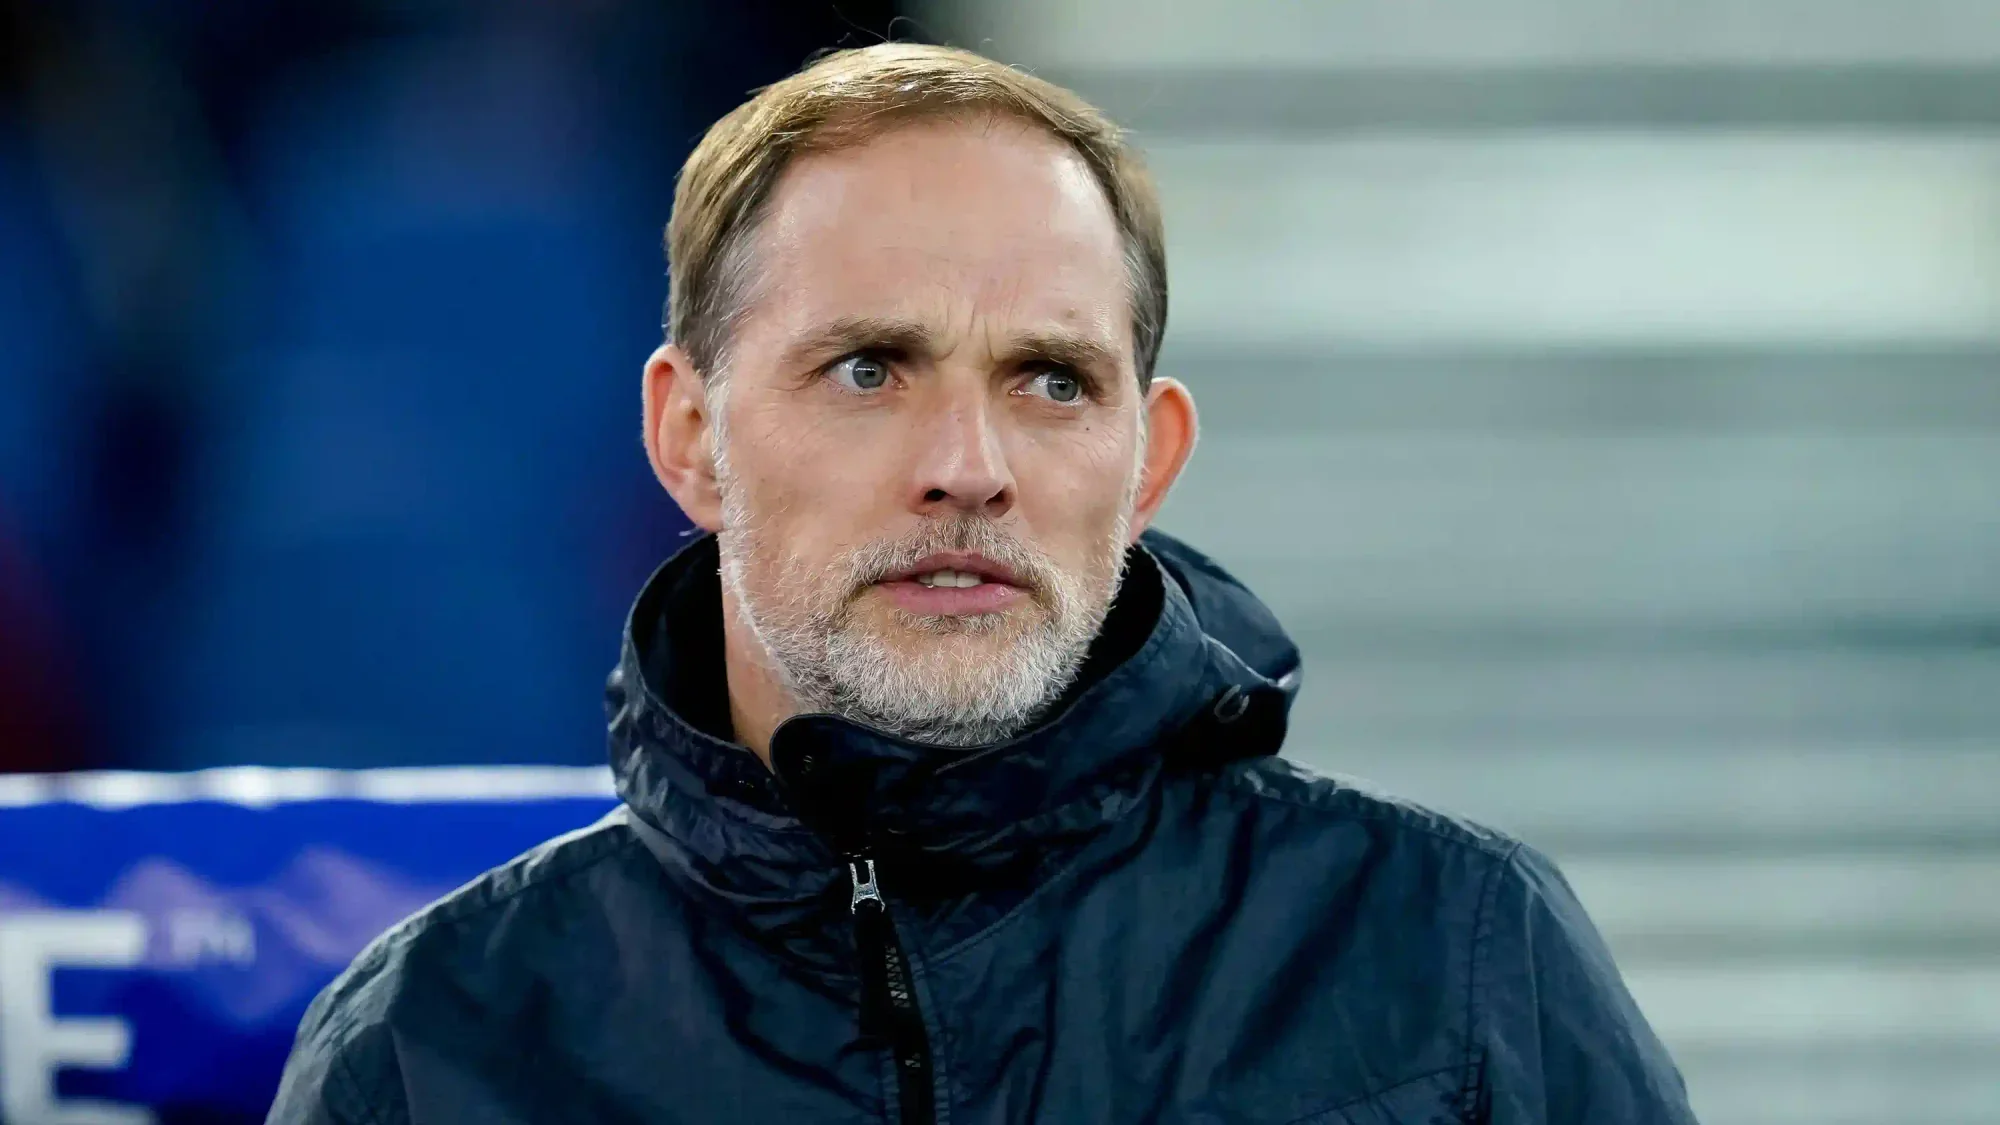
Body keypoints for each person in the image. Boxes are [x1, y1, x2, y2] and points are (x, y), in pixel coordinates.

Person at [267, 43, 1698, 1125]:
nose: (968, 468)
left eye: (1052, 380)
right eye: (870, 369)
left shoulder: (1459, 961)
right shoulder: (426, 1050)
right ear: (689, 437)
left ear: (1149, 461)